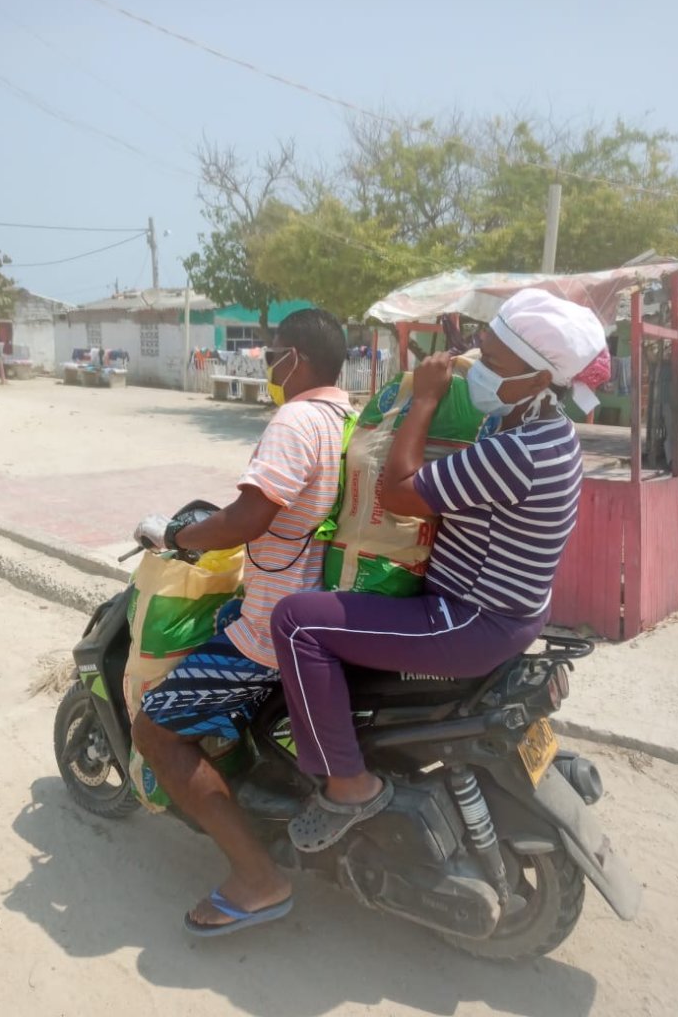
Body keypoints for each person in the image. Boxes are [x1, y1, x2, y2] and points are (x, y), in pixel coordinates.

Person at [270, 289, 608, 854]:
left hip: (469, 621)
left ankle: (348, 784)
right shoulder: (548, 430)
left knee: (296, 623)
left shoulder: (520, 450)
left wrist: (423, 400)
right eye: (481, 348)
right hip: (513, 611)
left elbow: (398, 494)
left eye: (494, 363)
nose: (478, 367)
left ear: (539, 377)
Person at [130, 308, 352, 935]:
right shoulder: (348, 419)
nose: (267, 365)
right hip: (322, 615)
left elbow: (248, 518)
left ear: (297, 360)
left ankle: (258, 878)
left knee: (156, 732)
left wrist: (179, 535)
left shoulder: (297, 418)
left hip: (269, 636)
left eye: (272, 353)